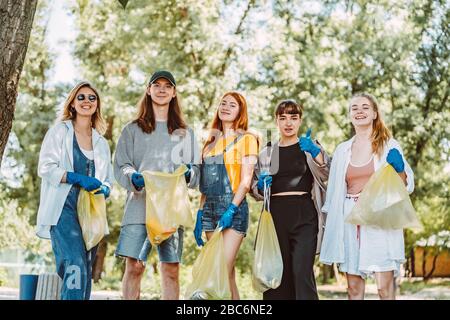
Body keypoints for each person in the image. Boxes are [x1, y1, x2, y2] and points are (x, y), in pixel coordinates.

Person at [114, 70, 200, 300]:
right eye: (157, 85)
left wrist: (190, 173)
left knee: (171, 270)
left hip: (171, 210)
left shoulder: (185, 133)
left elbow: (197, 171)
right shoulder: (132, 129)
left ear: (174, 93)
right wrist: (133, 177)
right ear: (148, 90)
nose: (162, 89)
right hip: (139, 206)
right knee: (134, 267)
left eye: (167, 86)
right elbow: (122, 164)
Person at [319, 92, 414, 300]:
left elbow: (406, 185)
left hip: (379, 218)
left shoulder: (388, 144)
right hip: (350, 220)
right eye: (354, 108)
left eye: (364, 107)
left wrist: (400, 169)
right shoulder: (343, 150)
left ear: (374, 114)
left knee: (384, 288)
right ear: (350, 115)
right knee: (353, 289)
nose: (359, 111)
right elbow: (334, 192)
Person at [36, 81, 113, 300]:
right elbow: (46, 167)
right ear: (72, 103)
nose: (86, 101)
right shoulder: (60, 131)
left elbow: (107, 179)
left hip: (91, 213)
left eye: (92, 98)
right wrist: (75, 177)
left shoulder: (101, 142)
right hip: (63, 209)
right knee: (75, 265)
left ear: (97, 105)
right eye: (81, 97)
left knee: (86, 269)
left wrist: (106, 188)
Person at [250, 100, 330, 300]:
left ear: (300, 121)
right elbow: (253, 188)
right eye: (283, 118)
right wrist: (259, 186)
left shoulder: (309, 146)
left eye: (293, 118)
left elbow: (328, 174)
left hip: (304, 215)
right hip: (275, 216)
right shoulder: (267, 153)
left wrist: (315, 152)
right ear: (276, 121)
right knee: (277, 275)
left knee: (302, 271)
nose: (288, 123)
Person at [193, 92, 258, 300]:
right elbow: (205, 183)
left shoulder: (247, 139)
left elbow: (246, 181)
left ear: (240, 111)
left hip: (234, 209)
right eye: (223, 103)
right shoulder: (210, 142)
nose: (226, 107)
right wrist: (200, 213)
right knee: (228, 275)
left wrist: (232, 208)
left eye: (232, 105)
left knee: (219, 269)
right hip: (210, 210)